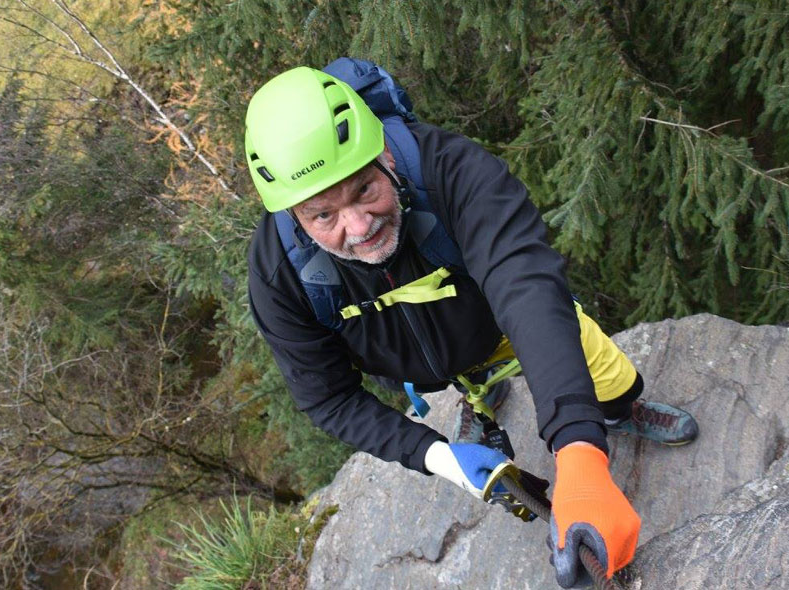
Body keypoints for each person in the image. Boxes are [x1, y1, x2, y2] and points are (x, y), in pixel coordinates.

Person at [245, 64, 698, 586]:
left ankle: (620, 410)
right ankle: (478, 407)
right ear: (295, 215)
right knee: (473, 393)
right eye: (324, 216)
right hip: (418, 365)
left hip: (502, 323)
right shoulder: (279, 275)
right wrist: (435, 455)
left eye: (365, 189)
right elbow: (329, 398)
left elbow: (526, 287)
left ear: (385, 153)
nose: (359, 226)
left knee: (610, 379)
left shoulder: (449, 170)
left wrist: (578, 449)